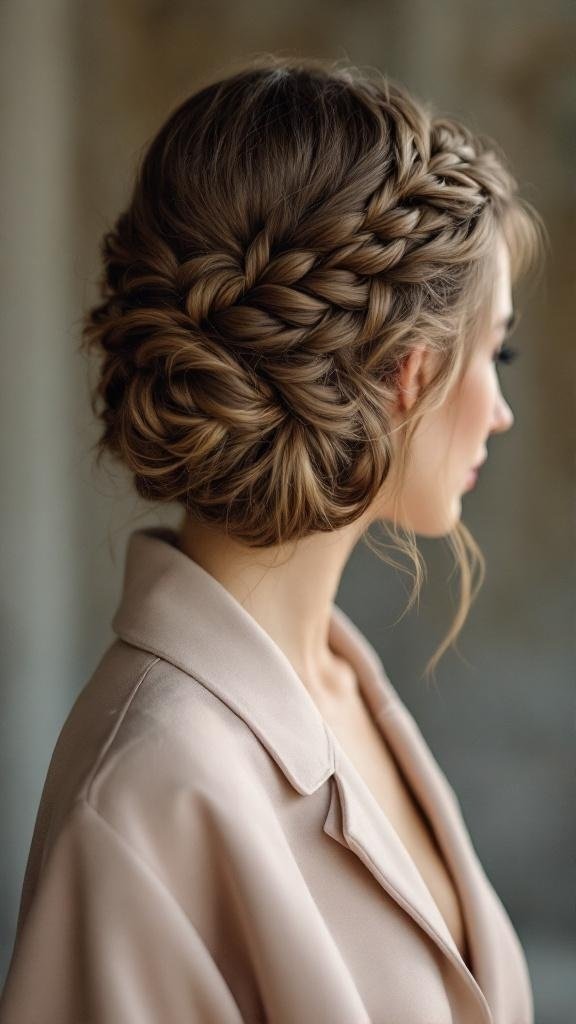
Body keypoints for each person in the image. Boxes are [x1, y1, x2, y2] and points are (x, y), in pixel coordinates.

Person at [0, 55, 546, 1024]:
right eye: (492, 351)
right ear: (408, 373)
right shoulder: (148, 796)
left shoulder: (337, 681)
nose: (501, 411)